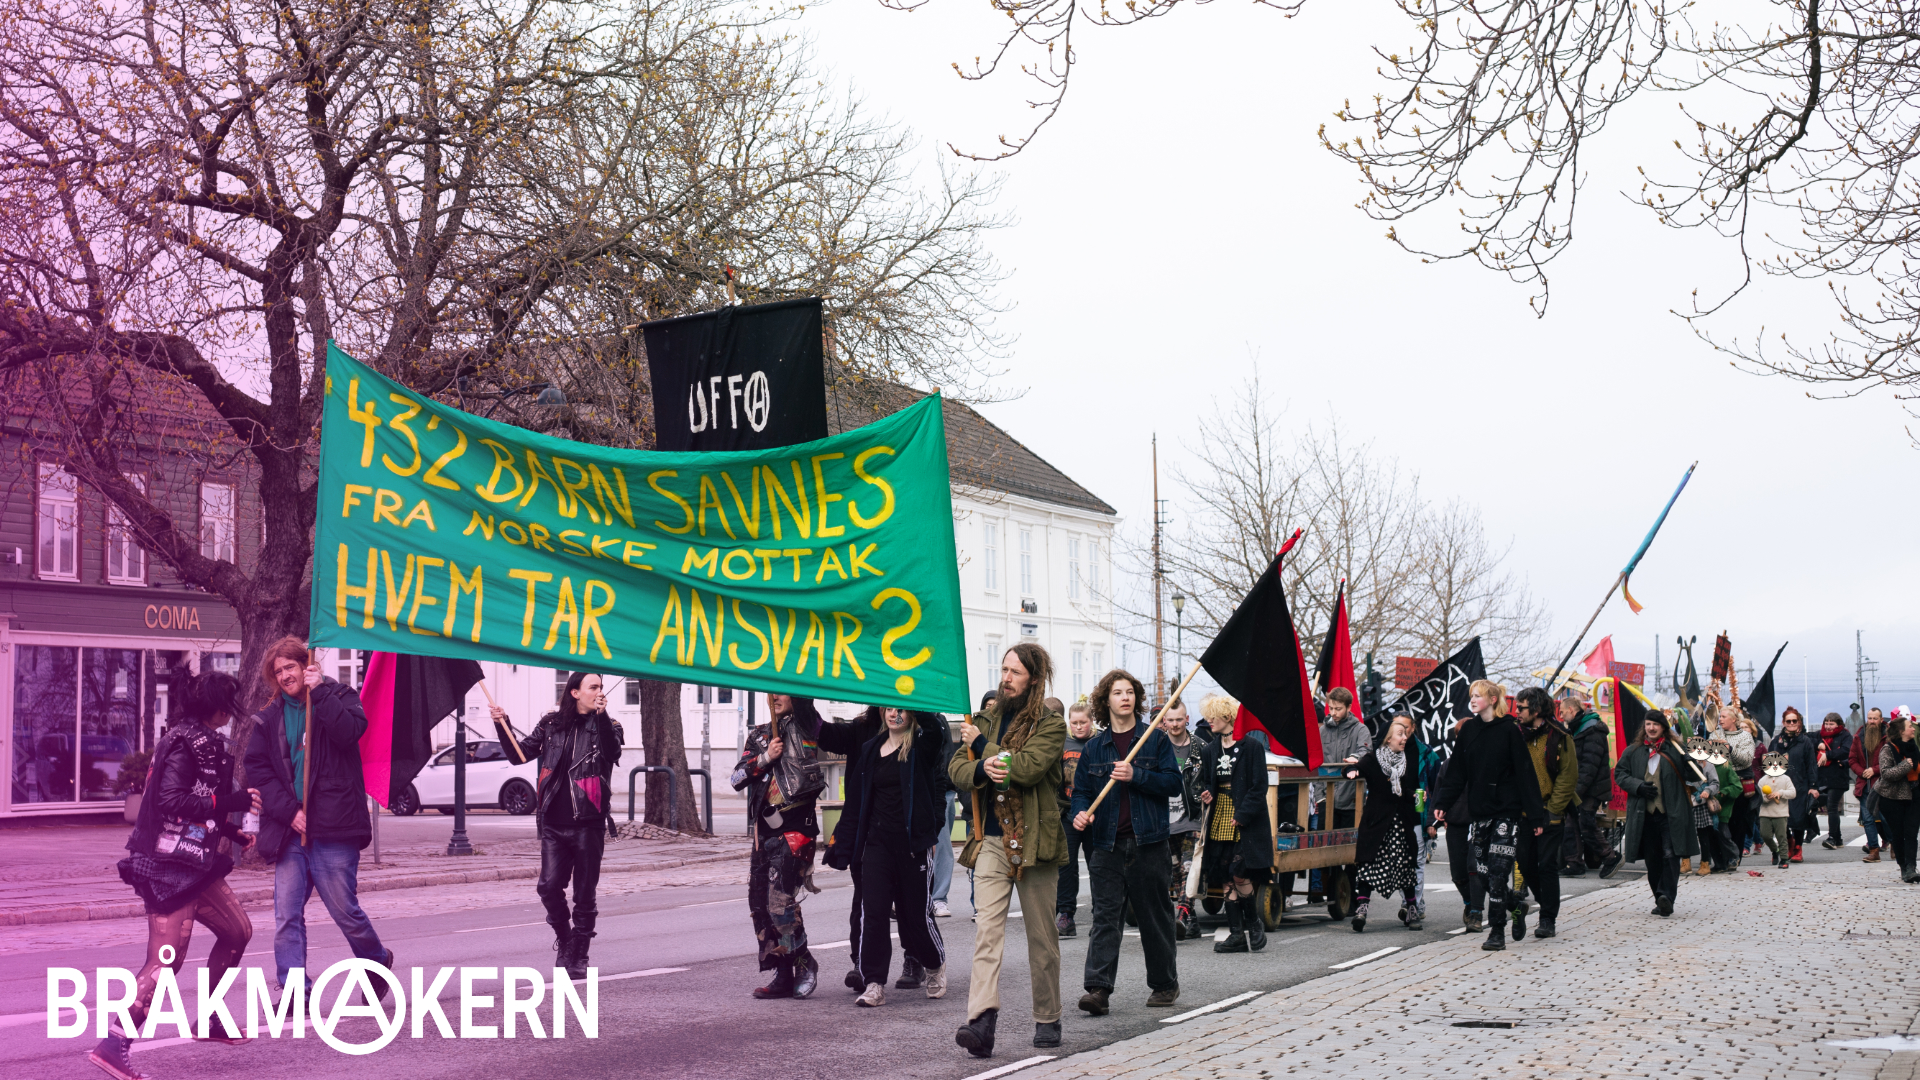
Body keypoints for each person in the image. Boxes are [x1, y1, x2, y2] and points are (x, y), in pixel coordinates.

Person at [92, 672, 260, 1079]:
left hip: (193, 862)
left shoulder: (198, 737)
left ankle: (208, 1016)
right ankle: (114, 1044)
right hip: (168, 867)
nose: (229, 711)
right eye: (228, 704)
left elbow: (194, 801)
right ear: (217, 706)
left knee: (238, 931)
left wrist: (229, 827)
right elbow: (172, 802)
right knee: (167, 958)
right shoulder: (186, 742)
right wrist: (232, 801)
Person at [245, 637, 393, 994]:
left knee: (344, 910)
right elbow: (258, 770)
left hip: (334, 826)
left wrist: (321, 692)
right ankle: (296, 990)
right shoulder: (270, 717)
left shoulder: (340, 696)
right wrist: (289, 812)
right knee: (286, 916)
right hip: (289, 830)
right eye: (278, 671)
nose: (284, 676)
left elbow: (349, 734)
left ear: (307, 665)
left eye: (290, 667)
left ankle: (376, 959)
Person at [950, 644, 1068, 1058]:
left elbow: (1027, 768)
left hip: (1035, 840)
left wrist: (984, 747)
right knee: (987, 932)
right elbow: (955, 769)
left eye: (1015, 671)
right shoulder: (983, 717)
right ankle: (981, 1021)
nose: (1006, 677)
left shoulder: (1052, 725)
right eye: (1003, 669)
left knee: (1042, 936)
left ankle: (1048, 1016)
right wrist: (982, 766)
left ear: (1033, 678)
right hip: (991, 841)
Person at [492, 672, 622, 980]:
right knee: (548, 887)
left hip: (588, 822)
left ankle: (580, 954)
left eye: (601, 687)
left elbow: (611, 752)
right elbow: (518, 755)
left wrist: (602, 718)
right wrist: (502, 724)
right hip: (553, 822)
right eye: (593, 687)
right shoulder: (551, 725)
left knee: (584, 894)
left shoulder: (609, 726)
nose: (599, 691)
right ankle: (566, 940)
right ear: (576, 692)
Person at [1070, 669, 1183, 1014]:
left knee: (1154, 915)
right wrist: (1079, 813)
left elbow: (1173, 784)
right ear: (1106, 701)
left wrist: (1138, 775)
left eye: (1130, 692)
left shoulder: (1155, 740)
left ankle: (1164, 985)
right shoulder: (1093, 748)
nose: (1125, 697)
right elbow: (1082, 793)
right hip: (1105, 845)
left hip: (1148, 842)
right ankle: (1098, 990)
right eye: (1117, 692)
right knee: (1105, 916)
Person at [839, 708, 950, 1006]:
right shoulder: (870, 749)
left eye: (900, 709)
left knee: (914, 916)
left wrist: (914, 698)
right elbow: (857, 800)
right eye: (888, 708)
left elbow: (937, 732)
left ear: (911, 714)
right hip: (877, 846)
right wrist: (844, 844)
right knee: (872, 914)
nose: (893, 714)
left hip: (912, 846)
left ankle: (934, 964)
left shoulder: (921, 747)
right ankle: (874, 982)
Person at [1431, 681, 1545, 951]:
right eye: (1471, 695)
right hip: (1479, 813)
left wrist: (1536, 817)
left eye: (1478, 695)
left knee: (1497, 872)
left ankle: (1496, 931)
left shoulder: (1509, 730)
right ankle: (1515, 906)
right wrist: (1443, 803)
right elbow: (1457, 771)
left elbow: (1526, 773)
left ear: (1493, 699)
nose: (1472, 699)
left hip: (1507, 812)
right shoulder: (1469, 729)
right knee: (1481, 873)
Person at [732, 693, 827, 1000]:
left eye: (781, 689)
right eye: (770, 691)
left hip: (795, 832)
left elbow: (808, 712)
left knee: (780, 903)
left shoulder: (806, 728)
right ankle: (782, 972)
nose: (774, 696)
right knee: (759, 905)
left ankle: (804, 962)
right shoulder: (759, 735)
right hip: (764, 834)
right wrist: (765, 757)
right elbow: (736, 778)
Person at [1195, 693, 1273, 954]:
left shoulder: (1252, 747)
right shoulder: (1210, 749)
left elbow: (1259, 786)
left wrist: (1242, 815)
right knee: (1225, 876)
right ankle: (1237, 935)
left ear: (1227, 717)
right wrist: (1207, 793)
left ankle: (1254, 925)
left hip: (1244, 818)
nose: (1209, 721)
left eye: (1212, 716)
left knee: (1240, 872)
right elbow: (1207, 782)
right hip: (1219, 816)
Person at [820, 707, 887, 992]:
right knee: (864, 901)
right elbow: (822, 733)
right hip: (866, 831)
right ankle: (861, 965)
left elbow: (934, 778)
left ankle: (917, 959)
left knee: (911, 908)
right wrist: (799, 688)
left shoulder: (921, 728)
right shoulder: (861, 728)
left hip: (903, 833)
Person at [1614, 711, 1700, 917]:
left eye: (1656, 725)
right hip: (1644, 814)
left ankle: (1667, 897)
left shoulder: (1675, 749)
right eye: (1648, 724)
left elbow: (1695, 776)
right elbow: (1620, 774)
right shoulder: (1633, 751)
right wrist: (1638, 786)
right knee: (1652, 859)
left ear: (1664, 728)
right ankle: (1659, 897)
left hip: (1671, 813)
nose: (1651, 728)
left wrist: (1691, 761)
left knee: (1670, 855)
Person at [1346, 715, 1424, 932]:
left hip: (1400, 822)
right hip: (1376, 822)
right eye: (1400, 734)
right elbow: (1357, 769)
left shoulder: (1407, 758)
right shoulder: (1373, 758)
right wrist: (1352, 771)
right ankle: (1361, 910)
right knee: (1369, 864)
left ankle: (1411, 909)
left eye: (1406, 734)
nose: (1404, 738)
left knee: (1405, 865)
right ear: (1388, 739)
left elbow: (1405, 790)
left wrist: (1416, 797)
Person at [1513, 686, 1576, 940]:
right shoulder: (1516, 735)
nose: (1517, 712)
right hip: (1522, 813)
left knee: (1546, 864)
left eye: (1522, 708)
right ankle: (1543, 900)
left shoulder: (1560, 736)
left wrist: (1553, 810)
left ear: (1536, 710)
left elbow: (1567, 777)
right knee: (1525, 862)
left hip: (1550, 811)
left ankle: (1547, 918)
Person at [1312, 687, 1368, 917]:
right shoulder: (1323, 731)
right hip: (1328, 798)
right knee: (1330, 851)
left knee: (1351, 852)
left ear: (1348, 708)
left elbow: (1366, 751)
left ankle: (1352, 895)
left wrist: (1356, 758)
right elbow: (1315, 763)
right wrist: (1319, 795)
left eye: (1338, 709)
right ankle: (1335, 894)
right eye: (1331, 708)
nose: (1333, 712)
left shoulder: (1360, 729)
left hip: (1351, 800)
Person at [1430, 714, 1486, 929]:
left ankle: (1476, 913)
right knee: (1458, 874)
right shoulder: (1448, 765)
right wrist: (1435, 818)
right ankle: (1468, 902)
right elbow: (1439, 795)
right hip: (1456, 823)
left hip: (1480, 822)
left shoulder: (1486, 763)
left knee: (1475, 867)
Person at [1158, 699, 1204, 942]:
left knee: (1188, 868)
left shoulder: (1201, 748)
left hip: (1192, 819)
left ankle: (1183, 913)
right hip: (1166, 821)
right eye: (1171, 720)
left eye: (1179, 719)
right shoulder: (1156, 746)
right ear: (1164, 721)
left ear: (1187, 719)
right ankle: (1191, 922)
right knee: (1176, 870)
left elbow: (1211, 780)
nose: (1175, 724)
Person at [1559, 696, 1612, 876]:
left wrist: (1575, 792)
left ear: (1571, 710)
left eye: (1562, 712)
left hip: (1591, 788)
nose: (1561, 716)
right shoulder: (1579, 729)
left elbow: (1589, 766)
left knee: (1585, 823)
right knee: (1571, 823)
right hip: (1583, 787)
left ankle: (1610, 857)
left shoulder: (1591, 731)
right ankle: (1574, 862)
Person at [1055, 701, 1094, 938]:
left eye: (1083, 722)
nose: (1079, 727)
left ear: (1091, 722)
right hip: (1068, 814)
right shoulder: (1062, 743)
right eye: (1074, 723)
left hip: (1093, 814)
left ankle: (1100, 915)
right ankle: (1066, 915)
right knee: (1065, 866)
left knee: (1096, 864)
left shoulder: (1098, 742)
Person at [1873, 713, 1920, 882]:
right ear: (1901, 731)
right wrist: (1905, 765)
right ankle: (1904, 867)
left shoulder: (1913, 747)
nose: (1912, 728)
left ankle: (1911, 867)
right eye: (1909, 726)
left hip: (1914, 796)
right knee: (1898, 835)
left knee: (1912, 833)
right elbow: (1886, 774)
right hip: (1892, 799)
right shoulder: (1888, 749)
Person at [1685, 738, 1742, 875]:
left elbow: (1737, 787)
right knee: (1710, 837)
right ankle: (1719, 863)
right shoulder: (1702, 764)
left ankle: (1734, 858)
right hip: (1704, 807)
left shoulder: (1725, 767)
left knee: (1722, 834)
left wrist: (1723, 792)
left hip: (1719, 808)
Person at [1709, 706, 1759, 858]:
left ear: (1734, 719)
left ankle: (1735, 856)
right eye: (1720, 717)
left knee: (1738, 821)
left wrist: (1729, 748)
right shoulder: (1713, 735)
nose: (1721, 719)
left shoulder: (1745, 736)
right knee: (1719, 820)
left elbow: (1746, 760)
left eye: (1724, 717)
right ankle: (1721, 856)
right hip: (1720, 781)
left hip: (1740, 783)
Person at [1769, 707, 1818, 861]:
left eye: (1794, 721)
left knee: (1798, 818)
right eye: (1788, 721)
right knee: (1781, 819)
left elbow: (1811, 765)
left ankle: (1798, 848)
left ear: (1799, 722)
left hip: (1799, 785)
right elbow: (1768, 763)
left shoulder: (1805, 741)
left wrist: (1813, 786)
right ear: (1783, 722)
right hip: (1779, 785)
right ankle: (1789, 842)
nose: (1791, 723)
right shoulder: (1776, 742)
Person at [1852, 708, 1887, 863]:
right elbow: (1852, 759)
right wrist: (1863, 772)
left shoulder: (1888, 736)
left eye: (1875, 718)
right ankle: (1874, 850)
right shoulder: (1859, 736)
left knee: (1886, 818)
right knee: (1867, 819)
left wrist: (1874, 770)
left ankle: (1894, 843)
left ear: (1881, 720)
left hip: (1883, 784)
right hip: (1865, 784)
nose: (1872, 721)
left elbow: (1891, 761)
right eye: (1870, 718)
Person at [1815, 712, 1853, 849]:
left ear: (1839, 724)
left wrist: (1827, 755)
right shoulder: (1819, 735)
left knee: (1831, 806)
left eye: (1831, 724)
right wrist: (1819, 745)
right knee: (1830, 807)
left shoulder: (1845, 735)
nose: (1828, 726)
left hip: (1838, 777)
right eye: (1826, 723)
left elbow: (1846, 751)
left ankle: (1831, 837)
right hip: (1823, 776)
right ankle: (1838, 838)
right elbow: (1808, 740)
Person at [1756, 752, 1798, 868]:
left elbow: (1793, 793)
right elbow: (1759, 797)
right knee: (1765, 835)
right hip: (1765, 812)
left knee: (1781, 836)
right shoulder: (1762, 780)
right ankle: (1775, 850)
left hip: (1780, 813)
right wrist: (1766, 798)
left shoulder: (1786, 779)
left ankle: (1784, 859)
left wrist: (1780, 793)